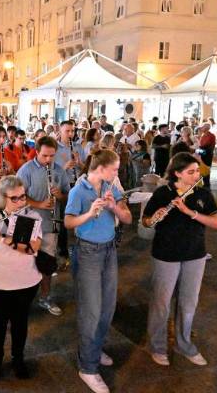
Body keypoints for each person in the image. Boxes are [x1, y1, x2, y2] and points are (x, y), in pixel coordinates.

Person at [142, 153, 217, 367]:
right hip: (166, 254)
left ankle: (184, 343)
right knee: (161, 303)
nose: (196, 175)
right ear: (177, 173)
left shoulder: (203, 194)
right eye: (191, 172)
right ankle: (157, 346)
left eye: (197, 171)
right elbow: (146, 222)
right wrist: (154, 217)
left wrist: (191, 212)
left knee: (188, 303)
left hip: (195, 254)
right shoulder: (163, 193)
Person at [64, 150, 132, 393]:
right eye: (114, 168)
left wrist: (115, 207)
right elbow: (69, 222)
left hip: (109, 250)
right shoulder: (78, 190)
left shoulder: (111, 186)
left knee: (107, 307)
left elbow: (128, 218)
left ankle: (95, 347)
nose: (118, 173)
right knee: (90, 311)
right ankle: (88, 368)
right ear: (101, 168)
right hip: (88, 253)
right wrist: (89, 213)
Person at [0, 176, 43, 381]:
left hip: (26, 280)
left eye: (23, 196)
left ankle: (18, 358)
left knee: (20, 321)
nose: (22, 201)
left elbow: (31, 249)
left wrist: (0, 237)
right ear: (3, 198)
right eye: (15, 198)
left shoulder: (32, 217)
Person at [16, 136, 69, 316]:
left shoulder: (60, 171)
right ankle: (21, 297)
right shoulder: (26, 170)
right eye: (45, 156)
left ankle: (45, 297)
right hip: (27, 221)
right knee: (23, 260)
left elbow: (66, 197)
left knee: (47, 263)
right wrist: (38, 204)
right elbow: (17, 197)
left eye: (52, 156)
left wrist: (59, 194)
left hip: (50, 224)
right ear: (36, 152)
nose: (48, 160)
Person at [197, 123, 216, 188]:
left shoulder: (211, 135)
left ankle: (207, 185)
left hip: (207, 155)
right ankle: (203, 184)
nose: (201, 128)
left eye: (202, 127)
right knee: (201, 170)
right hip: (202, 154)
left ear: (207, 128)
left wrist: (198, 149)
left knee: (206, 170)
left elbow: (204, 145)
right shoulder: (203, 135)